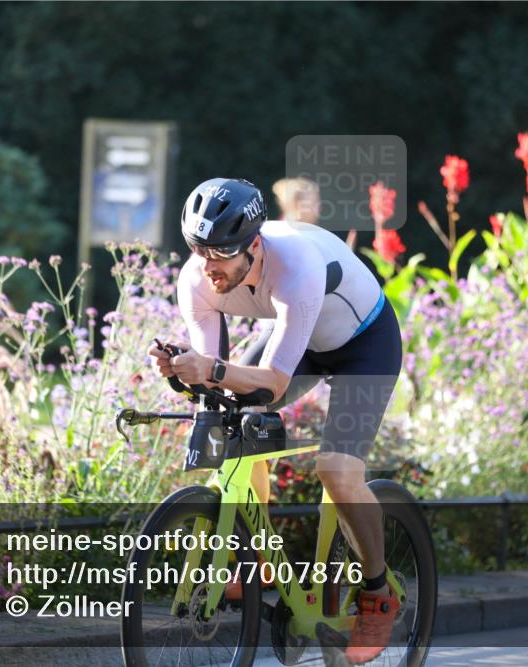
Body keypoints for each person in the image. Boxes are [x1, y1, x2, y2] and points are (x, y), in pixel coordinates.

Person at [148, 177, 402, 664]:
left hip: (365, 343)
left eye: (221, 253)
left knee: (337, 470)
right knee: (232, 416)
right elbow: (216, 380)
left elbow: (272, 385)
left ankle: (376, 591)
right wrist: (182, 370)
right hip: (303, 340)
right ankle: (256, 556)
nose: (208, 266)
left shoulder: (296, 267)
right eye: (199, 250)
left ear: (254, 246)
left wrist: (215, 370)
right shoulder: (196, 279)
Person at [273, 176, 358, 249]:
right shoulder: (283, 237)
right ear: (297, 205)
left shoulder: (305, 233)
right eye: (314, 203)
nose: (319, 208)